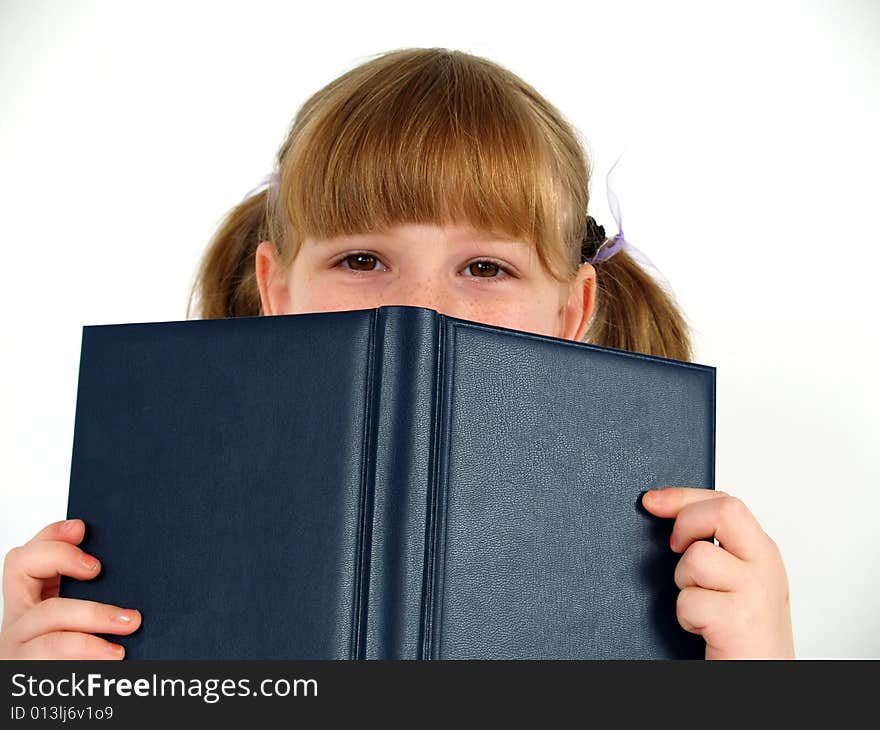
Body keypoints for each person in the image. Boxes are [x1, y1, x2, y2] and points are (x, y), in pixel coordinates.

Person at [0, 48, 794, 660]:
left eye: (486, 267)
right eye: (361, 260)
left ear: (572, 310)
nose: (418, 307)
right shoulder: (146, 533)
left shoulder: (678, 567)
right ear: (276, 288)